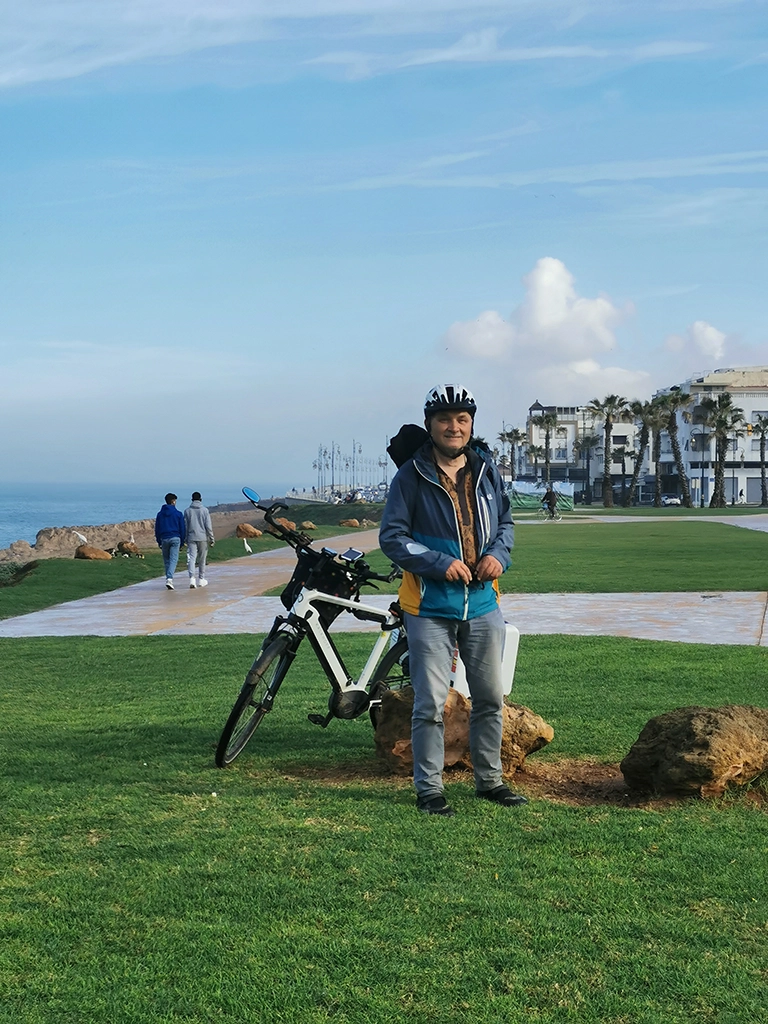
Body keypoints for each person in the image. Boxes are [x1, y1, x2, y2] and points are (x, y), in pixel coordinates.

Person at [379, 384, 526, 817]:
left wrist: (498, 556)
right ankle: (429, 790)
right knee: (429, 704)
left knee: (489, 698)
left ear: (471, 424)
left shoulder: (485, 470)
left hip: (482, 604)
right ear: (431, 425)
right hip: (429, 608)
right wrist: (439, 563)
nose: (454, 426)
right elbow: (393, 538)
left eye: (462, 419)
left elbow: (506, 524)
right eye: (445, 419)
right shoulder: (411, 475)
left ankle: (490, 781)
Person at [154, 492, 186, 590]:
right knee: (173, 559)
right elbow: (182, 528)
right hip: (175, 537)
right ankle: (169, 578)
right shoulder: (178, 514)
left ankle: (169, 578)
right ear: (173, 501)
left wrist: (158, 540)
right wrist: (182, 541)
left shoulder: (160, 514)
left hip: (164, 538)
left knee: (166, 560)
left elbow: (157, 528)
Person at [184, 492, 215, 589]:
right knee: (202, 559)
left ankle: (192, 579)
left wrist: (185, 538)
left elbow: (185, 526)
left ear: (192, 499)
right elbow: (208, 526)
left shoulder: (187, 511)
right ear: (200, 499)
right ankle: (201, 579)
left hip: (191, 537)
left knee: (192, 558)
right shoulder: (205, 510)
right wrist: (211, 538)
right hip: (202, 537)